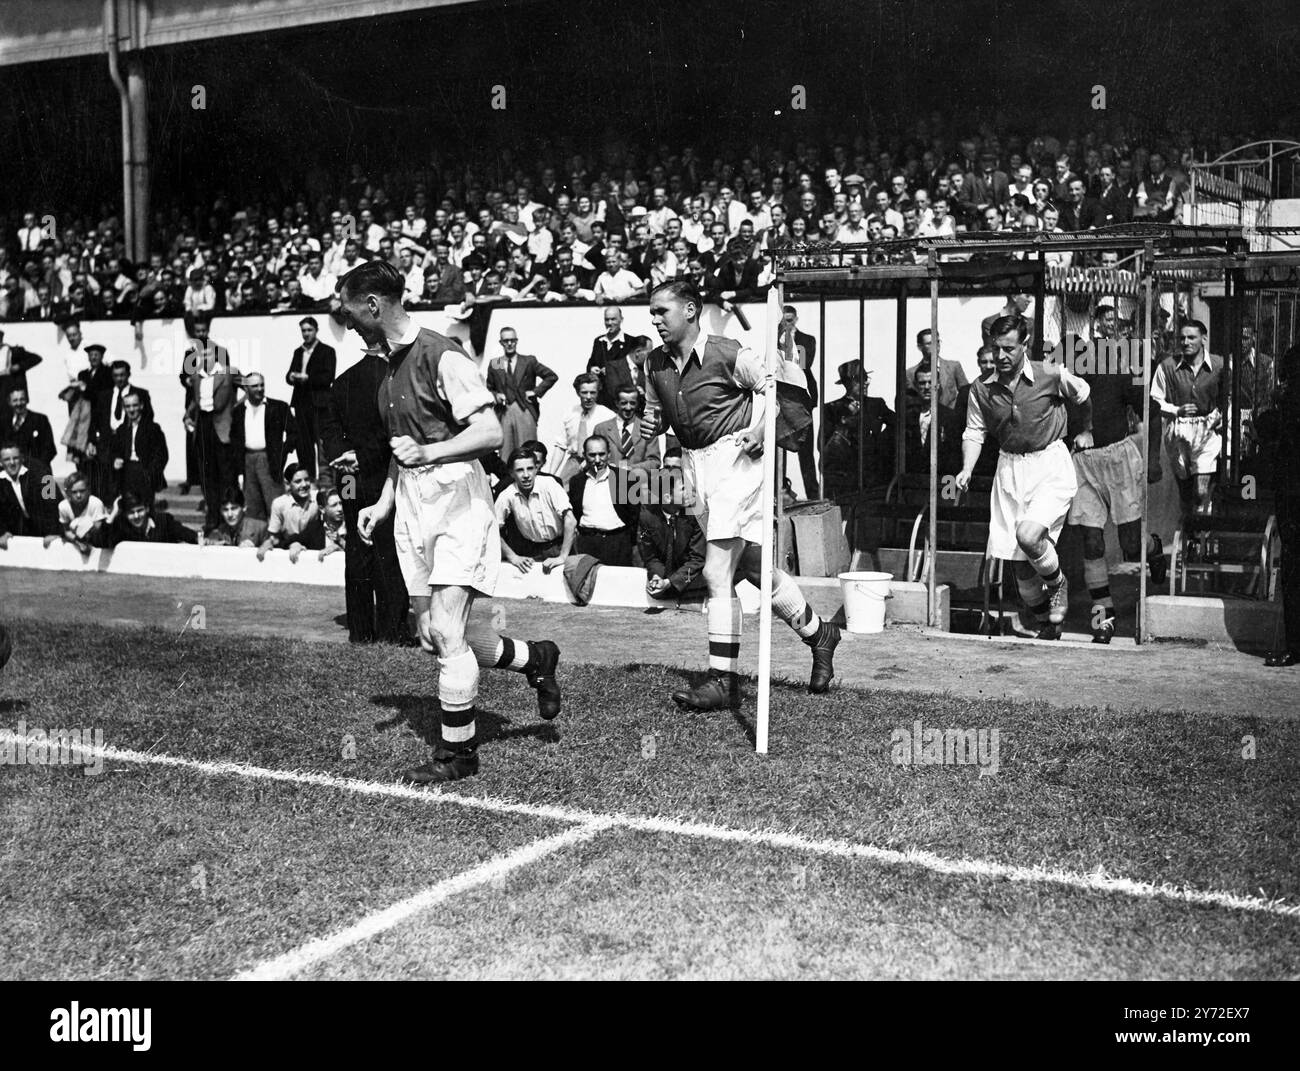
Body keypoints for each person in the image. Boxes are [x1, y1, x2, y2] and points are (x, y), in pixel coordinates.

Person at [337, 260, 562, 784]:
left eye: (350, 312)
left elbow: (489, 435)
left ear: (373, 305)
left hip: (458, 498)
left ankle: (458, 754)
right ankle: (536, 658)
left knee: (444, 627)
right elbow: (402, 451)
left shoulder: (443, 354)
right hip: (414, 503)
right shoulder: (387, 368)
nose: (347, 322)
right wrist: (384, 501)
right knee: (432, 636)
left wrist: (429, 451)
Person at [641, 279, 841, 710]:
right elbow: (656, 408)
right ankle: (819, 634)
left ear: (691, 310)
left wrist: (759, 430)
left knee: (717, 571)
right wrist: (650, 424)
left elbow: (774, 388)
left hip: (738, 460)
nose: (655, 320)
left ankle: (722, 680)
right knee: (749, 564)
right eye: (652, 312)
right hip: (696, 467)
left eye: (662, 311)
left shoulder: (727, 351)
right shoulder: (653, 361)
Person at [956, 314, 1092, 639]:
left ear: (1025, 345)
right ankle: (1047, 623)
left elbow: (1083, 395)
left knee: (1029, 537)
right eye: (996, 349)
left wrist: (1086, 430)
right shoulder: (981, 388)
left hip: (1050, 465)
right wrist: (967, 468)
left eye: (1009, 349)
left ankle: (1059, 583)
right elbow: (974, 432)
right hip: (1009, 469)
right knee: (1018, 563)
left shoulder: (1051, 374)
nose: (1001, 357)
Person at [1066, 305, 1158, 642]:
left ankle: (1154, 547)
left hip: (1118, 462)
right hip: (1083, 466)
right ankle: (1104, 618)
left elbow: (1153, 411)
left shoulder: (1118, 375)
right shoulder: (1063, 384)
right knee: (1091, 542)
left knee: (1131, 546)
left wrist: (1153, 460)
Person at [319, 348, 409, 645]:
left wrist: (340, 456)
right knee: (385, 546)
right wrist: (361, 456)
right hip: (377, 472)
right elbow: (390, 433)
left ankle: (360, 630)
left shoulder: (342, 381)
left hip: (347, 476)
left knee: (357, 547)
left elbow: (328, 429)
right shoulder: (391, 379)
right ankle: (392, 629)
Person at [1151, 320, 1227, 526]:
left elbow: (1229, 396)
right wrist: (1176, 410)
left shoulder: (1220, 365)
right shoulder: (1166, 366)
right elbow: (1155, 399)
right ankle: (1192, 534)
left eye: (1191, 337)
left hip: (1208, 430)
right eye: (1182, 338)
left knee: (1201, 489)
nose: (1185, 342)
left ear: (1203, 339)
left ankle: (1205, 522)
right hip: (1178, 431)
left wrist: (1221, 416)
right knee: (1186, 491)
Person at [1255, 344, 1300, 666]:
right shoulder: (1287, 394)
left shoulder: (1286, 394)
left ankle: (1295, 646)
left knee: (1294, 568)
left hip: (1292, 486)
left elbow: (1267, 426)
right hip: (1292, 485)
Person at [183, 316, 242, 529]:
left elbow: (248, 384)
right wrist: (188, 416)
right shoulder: (197, 377)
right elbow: (194, 402)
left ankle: (230, 518)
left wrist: (237, 409)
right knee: (208, 476)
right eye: (202, 356)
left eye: (208, 355)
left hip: (222, 428)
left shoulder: (227, 373)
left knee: (226, 474)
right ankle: (212, 518)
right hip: (203, 427)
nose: (204, 358)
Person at [638, 449, 707, 602]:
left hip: (694, 584)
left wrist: (670, 583)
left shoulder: (696, 512)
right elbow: (651, 557)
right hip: (666, 582)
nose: (690, 491)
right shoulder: (648, 515)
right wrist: (656, 577)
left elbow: (698, 560)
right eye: (683, 489)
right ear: (667, 497)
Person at [495, 447, 575, 569]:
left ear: (536, 469)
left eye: (530, 469)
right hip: (532, 551)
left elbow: (570, 520)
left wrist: (563, 557)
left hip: (561, 546)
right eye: (520, 470)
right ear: (511, 473)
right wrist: (512, 556)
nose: (526, 475)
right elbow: (492, 528)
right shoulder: (507, 495)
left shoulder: (549, 484)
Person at [231, 372, 296, 522]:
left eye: (262, 385)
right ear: (246, 389)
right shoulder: (238, 411)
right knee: (253, 507)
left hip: (269, 460)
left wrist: (282, 452)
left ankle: (281, 541)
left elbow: (294, 433)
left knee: (275, 505)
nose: (260, 389)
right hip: (247, 460)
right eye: (255, 386)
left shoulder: (278, 407)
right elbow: (234, 440)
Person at [485, 326, 557, 461]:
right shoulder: (496, 363)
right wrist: (496, 396)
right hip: (505, 411)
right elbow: (489, 388)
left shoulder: (528, 361)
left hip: (525, 410)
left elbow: (551, 376)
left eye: (512, 340)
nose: (510, 344)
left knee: (528, 450)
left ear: (517, 341)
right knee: (505, 453)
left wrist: (536, 392)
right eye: (506, 341)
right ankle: (507, 480)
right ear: (501, 343)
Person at [567, 434, 637, 565]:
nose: (597, 460)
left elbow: (634, 515)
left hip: (617, 544)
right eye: (592, 455)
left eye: (602, 454)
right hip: (587, 544)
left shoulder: (625, 479)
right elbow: (575, 513)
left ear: (609, 454)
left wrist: (627, 540)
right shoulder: (576, 482)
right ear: (584, 455)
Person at [285, 316, 337, 479]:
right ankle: (309, 480)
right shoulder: (298, 351)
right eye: (303, 331)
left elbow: (328, 377)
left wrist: (307, 378)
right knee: (304, 445)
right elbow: (288, 376)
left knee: (321, 445)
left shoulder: (327, 351)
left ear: (316, 330)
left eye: (309, 330)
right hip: (301, 404)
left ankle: (326, 481)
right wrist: (292, 377)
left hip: (319, 405)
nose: (306, 334)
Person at [778, 305, 820, 499]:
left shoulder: (807, 339)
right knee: (781, 448)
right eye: (784, 320)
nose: (787, 323)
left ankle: (812, 494)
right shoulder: (776, 338)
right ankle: (781, 491)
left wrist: (787, 342)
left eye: (790, 320)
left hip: (803, 395)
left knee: (806, 451)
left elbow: (803, 363)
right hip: (784, 396)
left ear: (796, 319)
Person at [552, 372, 615, 485]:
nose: (589, 397)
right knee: (560, 490)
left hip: (599, 463)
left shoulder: (607, 415)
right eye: (584, 392)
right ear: (577, 392)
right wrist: (551, 474)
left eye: (593, 393)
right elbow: (560, 446)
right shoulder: (570, 413)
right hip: (574, 462)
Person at [109, 391, 169, 508]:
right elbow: (114, 451)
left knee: (146, 508)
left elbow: (161, 455)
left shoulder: (152, 428)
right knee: (128, 508)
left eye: (134, 405)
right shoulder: (121, 430)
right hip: (126, 472)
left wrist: (151, 473)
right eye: (127, 406)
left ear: (141, 406)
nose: (131, 410)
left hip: (145, 471)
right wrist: (115, 459)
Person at [258, 462, 324, 558]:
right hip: (288, 550)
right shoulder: (279, 504)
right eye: (298, 481)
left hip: (313, 550)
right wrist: (268, 543)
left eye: (306, 479)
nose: (304, 484)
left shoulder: (318, 498)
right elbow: (274, 536)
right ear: (288, 484)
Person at [587, 308, 648, 410]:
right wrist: (592, 369)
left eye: (613, 319)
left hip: (622, 398)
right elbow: (592, 362)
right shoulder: (599, 341)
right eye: (607, 320)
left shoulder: (630, 341)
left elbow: (635, 369)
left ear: (621, 320)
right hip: (602, 397)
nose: (609, 323)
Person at [0, 441, 59, 543]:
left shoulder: (41, 472)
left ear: (22, 458)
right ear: (1, 462)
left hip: (47, 529)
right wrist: (2, 532)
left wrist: (53, 531)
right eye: (7, 459)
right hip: (20, 532)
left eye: (15, 458)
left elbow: (53, 503)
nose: (12, 463)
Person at [90, 492, 198, 547]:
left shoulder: (163, 521)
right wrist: (113, 513)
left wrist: (199, 539)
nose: (136, 516)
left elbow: (184, 532)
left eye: (140, 510)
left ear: (147, 509)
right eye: (131, 513)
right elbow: (101, 542)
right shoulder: (122, 527)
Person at [596, 385, 661, 474]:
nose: (628, 407)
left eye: (632, 403)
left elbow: (654, 462)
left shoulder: (647, 427)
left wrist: (630, 469)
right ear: (616, 403)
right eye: (623, 403)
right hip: (609, 481)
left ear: (637, 403)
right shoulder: (601, 429)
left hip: (638, 482)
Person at [905, 329, 969, 410]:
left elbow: (966, 393)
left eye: (937, 342)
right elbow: (910, 400)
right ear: (920, 347)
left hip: (951, 416)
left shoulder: (954, 366)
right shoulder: (910, 374)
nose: (935, 346)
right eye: (929, 343)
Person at [56, 471, 108, 553]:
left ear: (88, 490)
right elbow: (66, 531)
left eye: (82, 491)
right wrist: (78, 542)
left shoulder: (95, 503)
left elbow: (99, 529)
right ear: (68, 493)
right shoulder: (63, 506)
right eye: (74, 492)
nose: (78, 495)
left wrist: (84, 529)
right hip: (78, 539)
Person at [204, 487, 269, 547]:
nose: (230, 514)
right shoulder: (220, 531)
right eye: (225, 510)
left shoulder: (261, 528)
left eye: (234, 508)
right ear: (221, 511)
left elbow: (274, 553)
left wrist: (255, 549)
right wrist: (208, 543)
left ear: (244, 507)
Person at [5, 388, 55, 466]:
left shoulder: (40, 419)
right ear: (9, 402)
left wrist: (37, 468)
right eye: (15, 400)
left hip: (38, 471)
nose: (19, 403)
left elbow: (50, 449)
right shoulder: (4, 423)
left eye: (22, 399)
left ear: (27, 400)